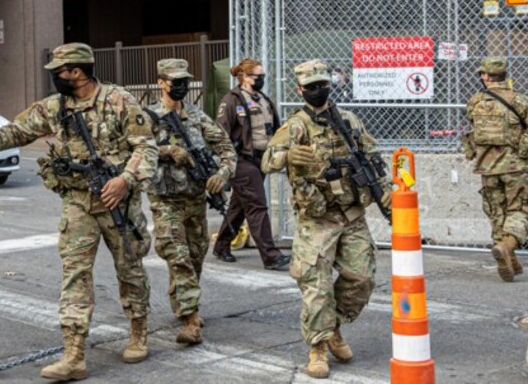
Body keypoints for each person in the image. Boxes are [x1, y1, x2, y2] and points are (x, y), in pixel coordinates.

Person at [0, 43, 158, 381]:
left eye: (60, 71)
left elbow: (146, 145)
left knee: (130, 269)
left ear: (77, 72)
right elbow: (18, 131)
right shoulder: (55, 106)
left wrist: (125, 180)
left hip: (118, 203)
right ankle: (74, 355)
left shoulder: (119, 101)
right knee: (75, 275)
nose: (55, 76)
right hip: (79, 202)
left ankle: (138, 333)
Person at [261, 59, 390, 379]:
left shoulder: (348, 120)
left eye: (323, 85)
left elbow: (372, 157)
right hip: (316, 217)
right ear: (300, 90)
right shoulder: (295, 126)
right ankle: (318, 348)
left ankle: (332, 327)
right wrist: (287, 156)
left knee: (362, 278)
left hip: (352, 215)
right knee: (316, 286)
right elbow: (266, 160)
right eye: (312, 87)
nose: (319, 91)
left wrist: (385, 191)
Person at [144, 58, 236, 345]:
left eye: (185, 81)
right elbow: (130, 149)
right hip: (165, 199)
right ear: (161, 82)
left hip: (195, 198)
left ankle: (183, 303)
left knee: (195, 256)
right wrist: (168, 151)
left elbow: (225, 148)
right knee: (178, 255)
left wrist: (222, 173)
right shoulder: (147, 117)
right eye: (175, 81)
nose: (181, 86)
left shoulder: (197, 116)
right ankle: (191, 319)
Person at [463, 57, 528, 282]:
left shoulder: (475, 101)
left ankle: (510, 259)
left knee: (498, 212)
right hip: (516, 167)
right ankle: (506, 246)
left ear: (486, 76)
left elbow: (472, 129)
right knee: (525, 209)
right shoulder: (521, 100)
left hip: (486, 168)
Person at [211, 58, 290, 271]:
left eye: (263, 76)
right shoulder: (231, 100)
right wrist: (224, 164)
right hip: (241, 160)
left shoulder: (262, 99)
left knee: (240, 205)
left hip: (261, 159)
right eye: (258, 76)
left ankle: (221, 245)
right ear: (245, 77)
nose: (262, 79)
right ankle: (271, 256)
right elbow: (220, 134)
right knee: (257, 205)